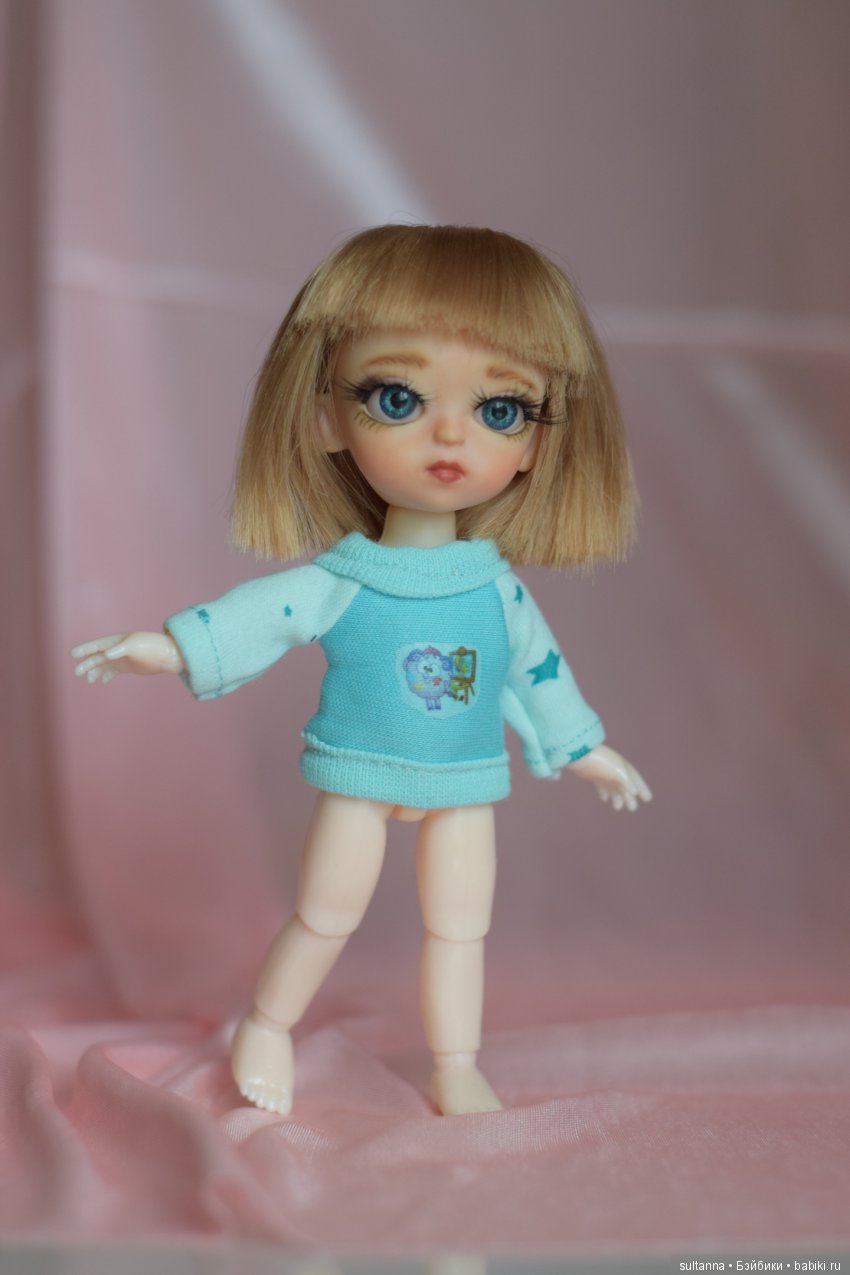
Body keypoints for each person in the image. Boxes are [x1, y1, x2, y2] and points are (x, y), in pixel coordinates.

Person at [72, 225, 651, 1117]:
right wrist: (170, 646)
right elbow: (262, 616)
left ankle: (456, 1063)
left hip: (464, 777)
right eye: (397, 398)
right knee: (325, 912)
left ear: (539, 440)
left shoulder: (495, 589)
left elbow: (535, 671)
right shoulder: (345, 579)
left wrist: (583, 746)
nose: (450, 432)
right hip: (359, 771)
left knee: (460, 928)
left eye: (501, 410)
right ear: (327, 416)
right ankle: (266, 1024)